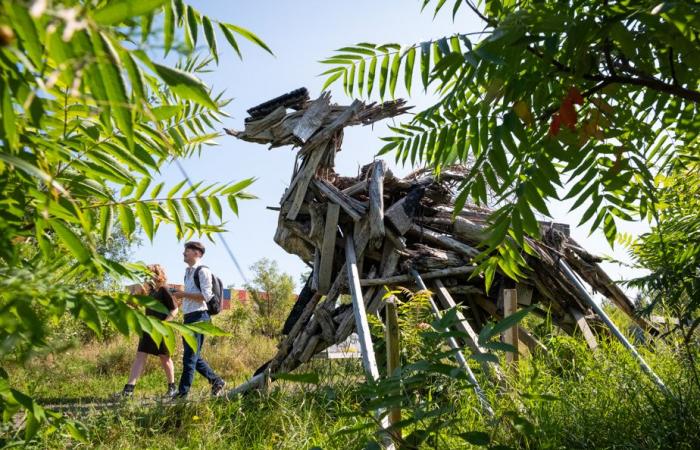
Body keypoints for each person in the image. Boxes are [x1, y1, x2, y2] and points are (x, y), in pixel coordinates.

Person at [171, 241, 226, 398]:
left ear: (197, 253)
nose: (183, 253)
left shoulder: (203, 271)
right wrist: (179, 296)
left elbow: (205, 296)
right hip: (189, 317)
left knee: (189, 356)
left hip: (200, 317)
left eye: (186, 251)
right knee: (193, 355)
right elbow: (192, 295)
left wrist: (182, 294)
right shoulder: (187, 272)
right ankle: (216, 381)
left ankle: (182, 393)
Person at [120, 264, 179, 398]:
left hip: (161, 329)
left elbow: (175, 309)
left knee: (165, 358)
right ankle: (128, 390)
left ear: (157, 274)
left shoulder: (164, 289)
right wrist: (131, 295)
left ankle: (172, 388)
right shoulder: (149, 291)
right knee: (140, 356)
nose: (146, 277)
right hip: (148, 328)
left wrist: (164, 324)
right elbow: (133, 305)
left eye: (148, 274)